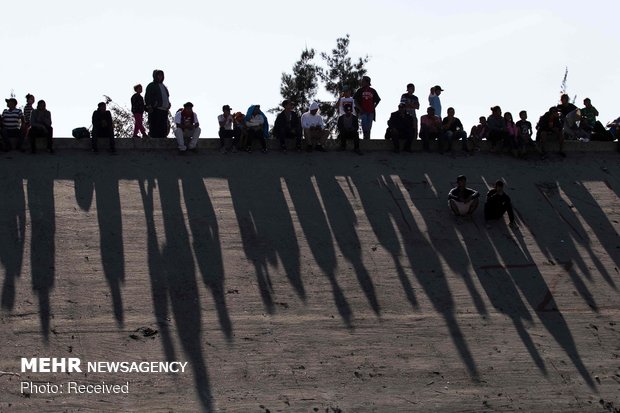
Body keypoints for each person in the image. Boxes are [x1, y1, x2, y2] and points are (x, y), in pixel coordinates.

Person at [144, 69, 171, 138]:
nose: (160, 77)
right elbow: (147, 96)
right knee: (155, 125)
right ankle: (154, 138)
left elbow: (166, 96)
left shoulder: (164, 86)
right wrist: (149, 106)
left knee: (163, 125)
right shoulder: (151, 85)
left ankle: (163, 137)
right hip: (155, 109)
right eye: (158, 75)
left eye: (161, 75)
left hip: (164, 109)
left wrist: (168, 104)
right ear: (155, 76)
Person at [353, 75, 381, 140]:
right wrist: (360, 109)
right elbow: (355, 100)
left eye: (363, 81)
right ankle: (365, 138)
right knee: (364, 124)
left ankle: (368, 139)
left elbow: (378, 100)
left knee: (369, 126)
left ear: (367, 82)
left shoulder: (373, 90)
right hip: (363, 111)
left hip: (371, 111)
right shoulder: (360, 90)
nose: (362, 82)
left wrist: (374, 107)